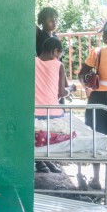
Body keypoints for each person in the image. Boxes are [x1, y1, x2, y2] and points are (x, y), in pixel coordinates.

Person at [77, 19, 107, 192]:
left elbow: (82, 75)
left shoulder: (97, 52)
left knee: (97, 138)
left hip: (100, 101)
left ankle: (96, 180)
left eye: (104, 34)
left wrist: (90, 85)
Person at [34, 37, 70, 176]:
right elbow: (62, 92)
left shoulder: (32, 62)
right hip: (52, 112)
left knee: (39, 135)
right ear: (55, 51)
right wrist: (70, 90)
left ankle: (41, 161)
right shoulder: (58, 65)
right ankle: (48, 160)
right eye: (59, 54)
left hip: (34, 111)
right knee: (54, 135)